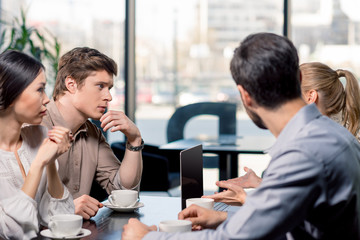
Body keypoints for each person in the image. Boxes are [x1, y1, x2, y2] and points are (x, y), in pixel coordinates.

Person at [122, 32, 360, 240]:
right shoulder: (330, 135)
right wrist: (221, 217)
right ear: (297, 80)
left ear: (245, 96)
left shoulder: (304, 152)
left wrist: (148, 236)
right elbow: (289, 223)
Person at [205, 62, 360, 205]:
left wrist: (245, 199)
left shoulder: (316, 146)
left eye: (290, 94)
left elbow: (294, 212)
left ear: (310, 97)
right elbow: (304, 197)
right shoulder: (338, 136)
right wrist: (260, 185)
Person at [41, 47, 143, 219]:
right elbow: (15, 206)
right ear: (71, 84)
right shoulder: (33, 127)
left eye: (109, 87)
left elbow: (123, 193)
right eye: (100, 86)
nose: (109, 97)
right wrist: (63, 211)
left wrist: (134, 139)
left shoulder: (92, 132)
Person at [0, 50, 75, 240]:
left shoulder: (38, 135)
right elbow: (14, 232)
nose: (47, 99)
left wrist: (50, 163)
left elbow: (61, 218)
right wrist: (38, 163)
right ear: (10, 93)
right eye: (39, 89)